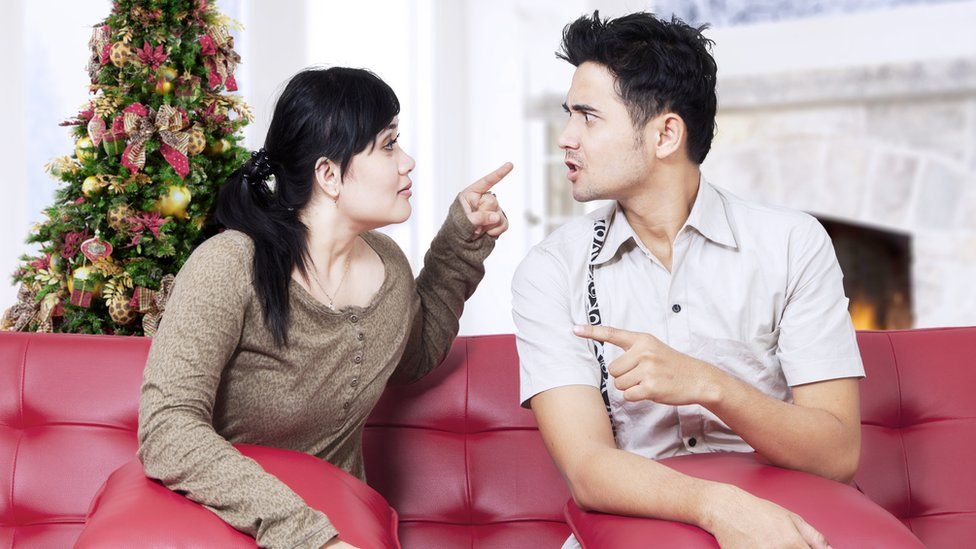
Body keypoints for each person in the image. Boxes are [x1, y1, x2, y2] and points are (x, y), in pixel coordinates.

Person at [512, 12, 863, 549]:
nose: (566, 138)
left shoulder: (793, 242)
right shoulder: (551, 270)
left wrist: (710, 384)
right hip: (633, 524)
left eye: (587, 116)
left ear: (665, 134)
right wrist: (716, 507)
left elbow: (836, 455)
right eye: (569, 115)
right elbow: (587, 470)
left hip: (785, 517)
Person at [137, 67, 511, 549]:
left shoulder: (388, 265)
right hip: (228, 526)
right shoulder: (229, 265)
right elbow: (167, 428)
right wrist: (308, 536)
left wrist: (462, 241)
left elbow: (414, 355)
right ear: (329, 174)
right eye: (389, 145)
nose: (408, 162)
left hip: (340, 520)